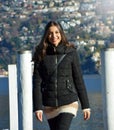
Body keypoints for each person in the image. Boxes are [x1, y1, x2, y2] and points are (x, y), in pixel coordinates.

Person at [32, 21, 91, 130]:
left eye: (56, 32)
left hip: (68, 101)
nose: (54, 36)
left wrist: (85, 106)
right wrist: (37, 108)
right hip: (49, 103)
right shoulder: (41, 54)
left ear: (61, 34)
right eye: (50, 33)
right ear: (46, 35)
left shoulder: (70, 52)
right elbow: (37, 83)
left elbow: (78, 79)